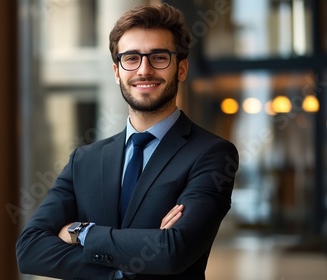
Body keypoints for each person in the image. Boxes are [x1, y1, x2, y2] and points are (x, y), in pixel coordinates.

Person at [16, 3, 238, 279]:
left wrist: (81, 231)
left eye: (158, 57)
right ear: (116, 71)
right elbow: (29, 250)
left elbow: (173, 251)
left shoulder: (212, 154)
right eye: (131, 58)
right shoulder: (84, 160)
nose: (144, 70)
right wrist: (118, 273)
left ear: (181, 69)